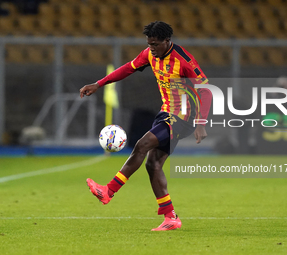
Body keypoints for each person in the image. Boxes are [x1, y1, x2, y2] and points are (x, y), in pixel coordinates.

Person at [79, 21, 212, 231]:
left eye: (155, 44)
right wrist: (99, 83)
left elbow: (206, 90)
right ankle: (171, 218)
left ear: (167, 41)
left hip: (184, 117)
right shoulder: (150, 54)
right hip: (166, 113)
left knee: (142, 144)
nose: (152, 48)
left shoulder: (183, 60)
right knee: (153, 165)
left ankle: (108, 191)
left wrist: (201, 123)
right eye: (149, 44)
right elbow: (127, 69)